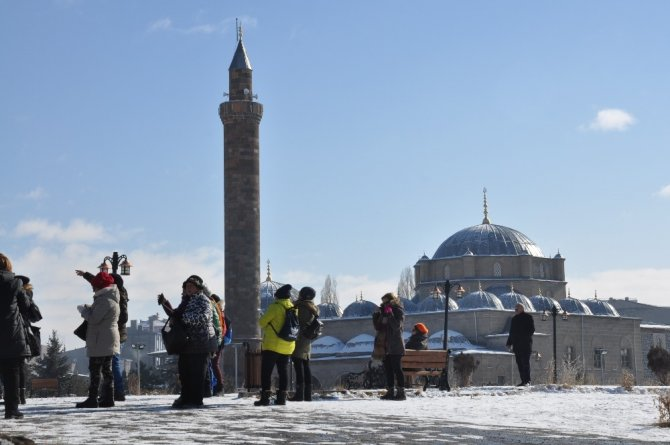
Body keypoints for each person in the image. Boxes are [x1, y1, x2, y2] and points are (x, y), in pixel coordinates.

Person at [158, 275, 218, 408]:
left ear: (198, 288)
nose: (189, 289)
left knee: (197, 373)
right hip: (187, 343)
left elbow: (203, 317)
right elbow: (176, 315)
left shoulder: (203, 300)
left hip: (201, 342)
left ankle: (195, 400)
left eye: (191, 286)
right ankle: (185, 397)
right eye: (187, 287)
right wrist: (165, 303)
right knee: (185, 372)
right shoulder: (186, 301)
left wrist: (184, 318)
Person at [76, 269, 129, 401]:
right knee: (107, 369)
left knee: (96, 369)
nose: (93, 289)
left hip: (101, 339)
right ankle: (108, 398)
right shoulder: (111, 296)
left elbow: (94, 319)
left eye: (94, 286)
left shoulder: (105, 299)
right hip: (107, 338)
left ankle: (93, 398)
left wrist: (83, 311)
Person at [0, 253, 33, 419]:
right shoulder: (16, 283)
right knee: (12, 374)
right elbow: (25, 306)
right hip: (12, 334)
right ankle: (11, 410)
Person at [255, 284, 295, 406]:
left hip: (272, 345)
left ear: (278, 297)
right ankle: (282, 398)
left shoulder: (275, 307)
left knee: (266, 372)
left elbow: (261, 322)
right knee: (283, 372)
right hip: (288, 345)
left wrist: (268, 325)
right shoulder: (293, 308)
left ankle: (265, 398)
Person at [372, 292, 406, 401]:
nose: (384, 304)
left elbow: (396, 326)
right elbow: (378, 327)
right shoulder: (384, 312)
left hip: (395, 345)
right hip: (384, 346)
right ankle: (390, 392)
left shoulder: (398, 311)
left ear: (392, 301)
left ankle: (401, 393)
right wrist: (376, 316)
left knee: (397, 368)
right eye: (383, 302)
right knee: (388, 370)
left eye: (386, 302)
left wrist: (390, 314)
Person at [289, 286, 319, 402]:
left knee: (298, 366)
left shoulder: (301, 306)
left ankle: (299, 394)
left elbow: (297, 321)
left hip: (299, 339)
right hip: (307, 340)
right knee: (306, 366)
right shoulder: (313, 307)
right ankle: (307, 395)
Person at [16, 275, 42, 405]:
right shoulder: (28, 294)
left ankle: (18, 395)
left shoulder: (23, 294)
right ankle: (21, 395)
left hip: (19, 330)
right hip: (24, 331)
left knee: (16, 365)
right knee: (20, 365)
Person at [506, 303, 535, 386]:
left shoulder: (528, 317)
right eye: (515, 309)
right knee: (519, 364)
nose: (515, 311)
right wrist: (509, 343)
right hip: (517, 345)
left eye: (517, 309)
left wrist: (524, 337)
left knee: (525, 363)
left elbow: (532, 330)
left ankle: (527, 381)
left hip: (525, 345)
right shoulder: (514, 319)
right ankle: (523, 381)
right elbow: (511, 332)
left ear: (522, 309)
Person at [210, 294, 226, 395]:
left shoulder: (216, 311)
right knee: (214, 364)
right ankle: (218, 385)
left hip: (217, 340)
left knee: (213, 364)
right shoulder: (221, 311)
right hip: (220, 340)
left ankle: (219, 385)